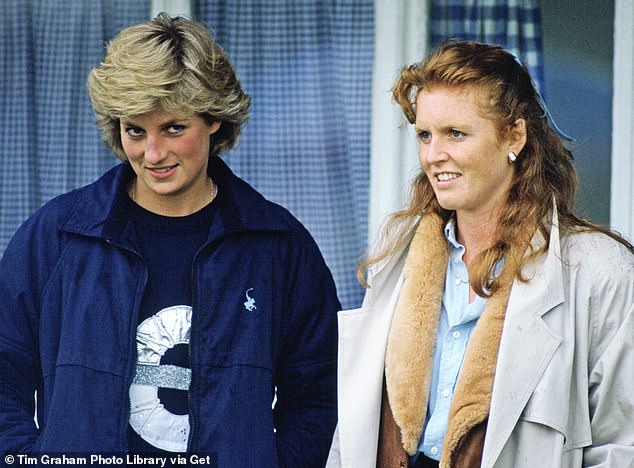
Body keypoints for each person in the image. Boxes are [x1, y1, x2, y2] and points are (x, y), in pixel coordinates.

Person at [0, 13, 339, 467]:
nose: (152, 154)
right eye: (135, 130)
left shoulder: (278, 246)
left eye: (173, 128)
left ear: (214, 120)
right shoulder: (56, 237)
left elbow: (320, 396)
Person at [327, 41, 634, 468]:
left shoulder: (599, 269)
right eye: (424, 135)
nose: (433, 156)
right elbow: (355, 430)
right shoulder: (397, 255)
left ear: (514, 136)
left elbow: (623, 446)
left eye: (456, 133)